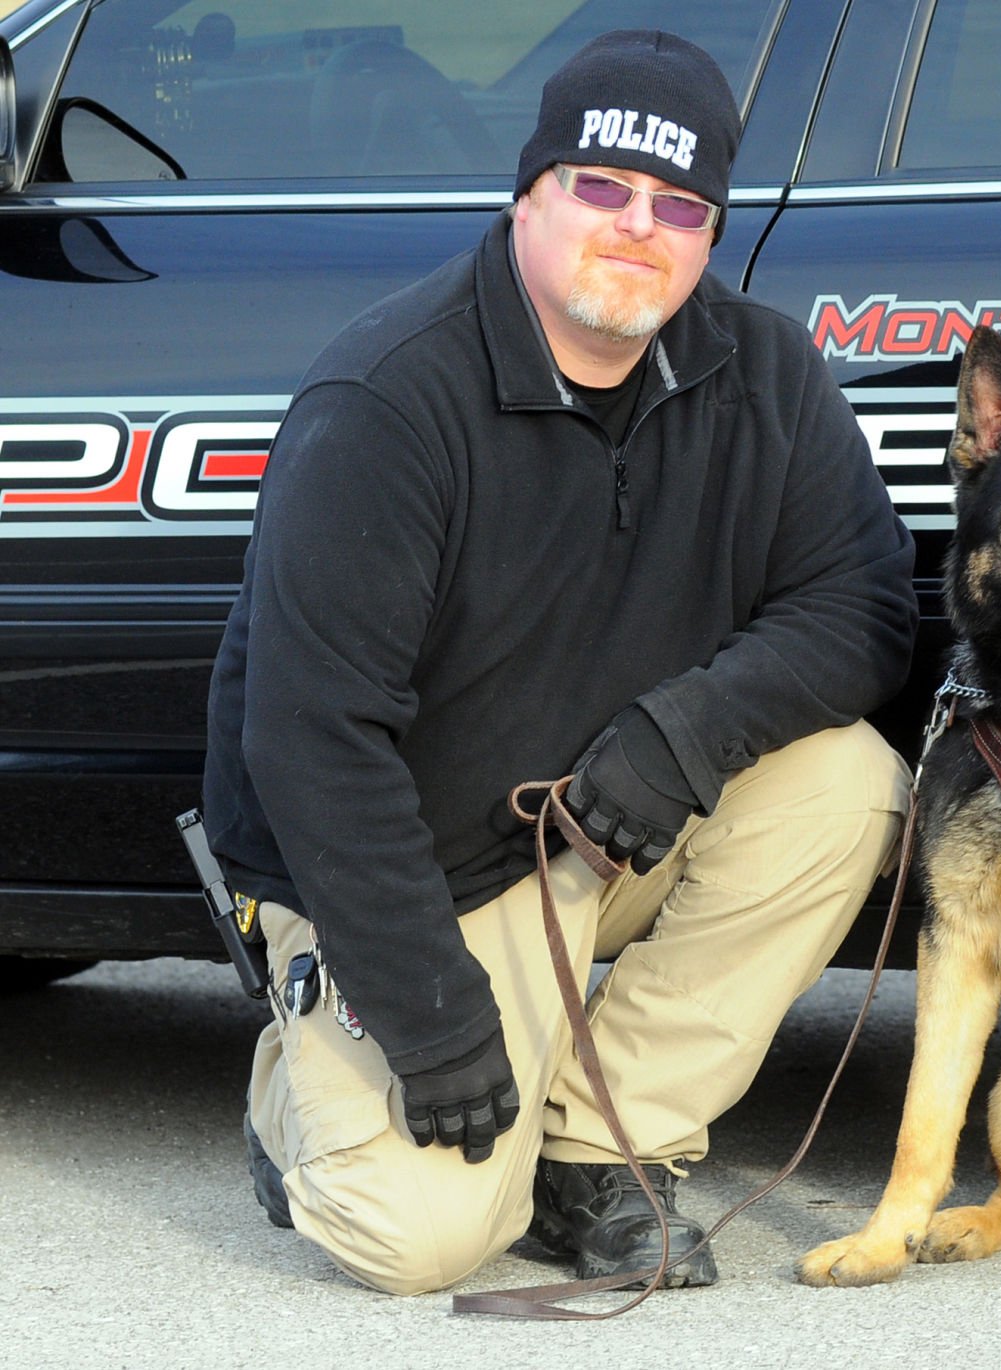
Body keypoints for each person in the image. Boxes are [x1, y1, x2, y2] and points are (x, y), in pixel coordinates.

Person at [202, 29, 916, 1297]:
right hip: (417, 873)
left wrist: (683, 734)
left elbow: (861, 606)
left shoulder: (770, 374)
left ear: (709, 233)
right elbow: (309, 743)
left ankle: (603, 1155)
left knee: (845, 781)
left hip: (605, 826)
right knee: (419, 1239)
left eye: (681, 206)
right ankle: (291, 1093)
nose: (639, 228)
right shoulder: (388, 398)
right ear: (529, 193)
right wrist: (433, 1018)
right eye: (602, 188)